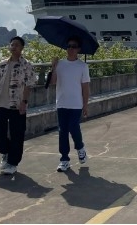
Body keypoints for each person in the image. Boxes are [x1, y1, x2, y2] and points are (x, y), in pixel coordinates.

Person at [0, 36, 36, 175]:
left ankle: (13, 163)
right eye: (12, 44)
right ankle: (6, 152)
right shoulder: (3, 64)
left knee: (17, 134)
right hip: (3, 104)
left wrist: (24, 102)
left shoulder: (26, 65)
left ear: (22, 48)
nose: (13, 46)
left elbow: (29, 84)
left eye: (16, 45)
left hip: (18, 105)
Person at [50, 36, 91, 172]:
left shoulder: (83, 66)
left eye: (74, 46)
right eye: (68, 46)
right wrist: (54, 67)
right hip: (61, 103)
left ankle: (80, 148)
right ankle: (64, 159)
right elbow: (53, 82)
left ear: (78, 49)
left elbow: (85, 88)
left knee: (73, 127)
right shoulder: (60, 64)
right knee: (63, 131)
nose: (71, 49)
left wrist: (85, 105)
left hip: (76, 103)